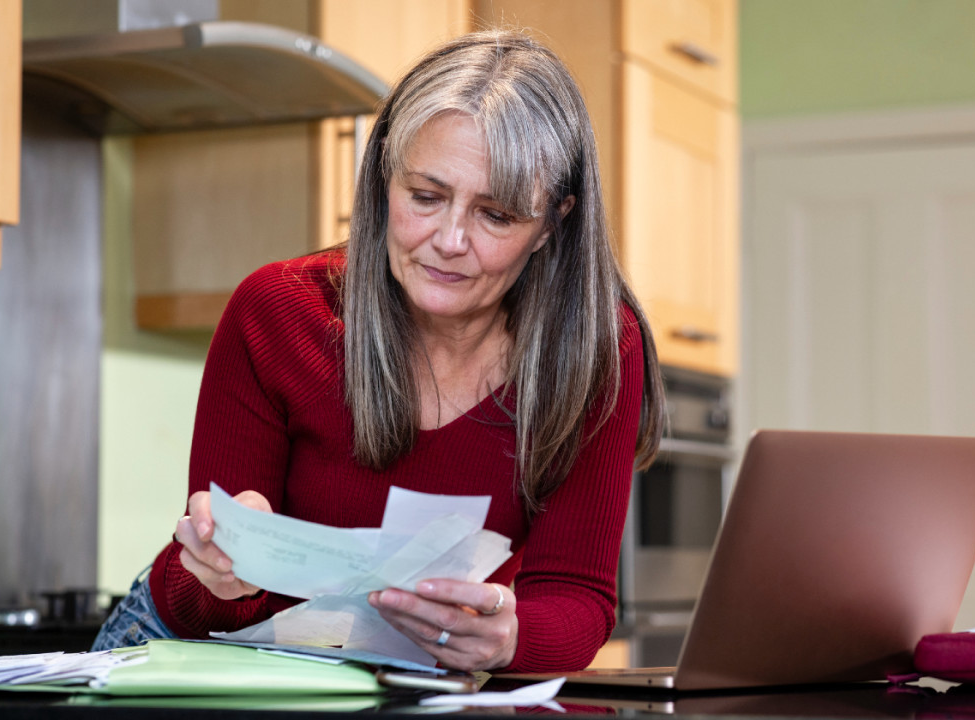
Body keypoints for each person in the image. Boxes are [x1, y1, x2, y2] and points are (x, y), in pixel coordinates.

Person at [92, 29, 665, 673]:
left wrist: (510, 637)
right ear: (384, 176)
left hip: (398, 679)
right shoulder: (277, 311)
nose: (448, 240)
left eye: (495, 215)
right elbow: (200, 604)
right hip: (192, 656)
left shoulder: (596, 351)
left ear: (552, 223)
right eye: (425, 196)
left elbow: (574, 596)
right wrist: (221, 571)